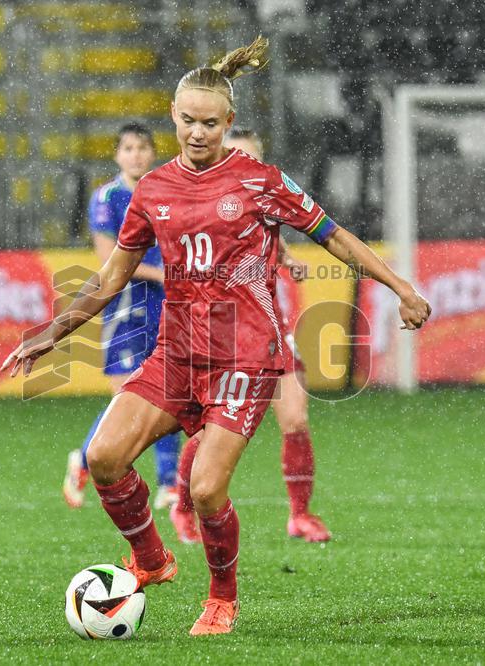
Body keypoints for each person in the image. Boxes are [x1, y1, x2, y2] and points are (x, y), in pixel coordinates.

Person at [1, 36, 431, 636]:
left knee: (204, 492)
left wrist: (400, 286)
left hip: (244, 359)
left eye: (210, 123)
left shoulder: (259, 181)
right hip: (175, 353)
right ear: (173, 118)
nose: (198, 133)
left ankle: (222, 598)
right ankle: (151, 560)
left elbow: (334, 234)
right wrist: (54, 330)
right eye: (187, 121)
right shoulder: (151, 190)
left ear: (228, 122)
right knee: (102, 457)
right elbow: (110, 277)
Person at [169, 127, 331, 544]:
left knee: (295, 416)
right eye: (237, 155)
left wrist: (289, 259)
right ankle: (184, 506)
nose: (244, 165)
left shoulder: (263, 194)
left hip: (268, 329)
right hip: (222, 335)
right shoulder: (208, 205)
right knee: (209, 430)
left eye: (252, 157)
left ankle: (300, 514)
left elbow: (269, 237)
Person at [61, 123, 181, 511]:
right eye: (128, 148)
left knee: (171, 394)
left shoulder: (165, 192)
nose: (136, 155)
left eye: (142, 147)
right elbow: (108, 259)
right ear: (117, 155)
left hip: (167, 306)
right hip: (126, 309)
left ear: (152, 152)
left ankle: (170, 482)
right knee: (125, 397)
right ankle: (84, 459)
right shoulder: (107, 197)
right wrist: (161, 273)